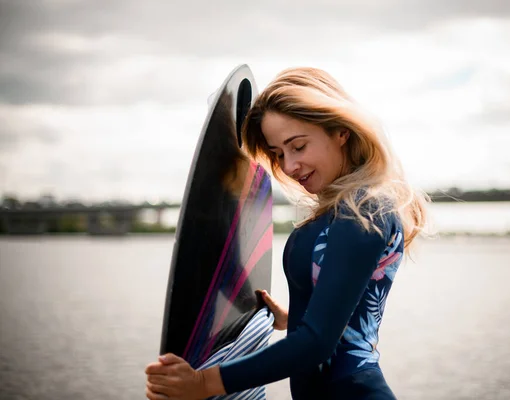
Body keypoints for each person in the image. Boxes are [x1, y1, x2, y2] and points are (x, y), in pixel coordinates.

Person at [145, 67, 428, 400]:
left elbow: (317, 344)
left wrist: (204, 383)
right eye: (278, 154)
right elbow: (341, 322)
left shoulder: (364, 211)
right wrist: (291, 319)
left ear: (340, 131)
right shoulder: (340, 211)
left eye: (298, 146)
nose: (289, 166)